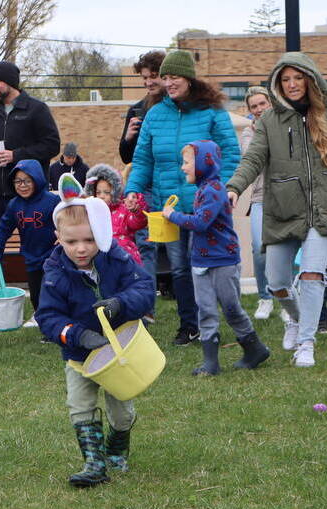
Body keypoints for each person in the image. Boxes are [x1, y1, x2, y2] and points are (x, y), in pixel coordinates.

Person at [226, 52, 327, 367]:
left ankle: (307, 343)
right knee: (277, 283)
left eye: (298, 78)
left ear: (310, 79)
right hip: (282, 208)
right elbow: (253, 159)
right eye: (285, 80)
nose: (292, 84)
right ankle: (295, 319)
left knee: (312, 274)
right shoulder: (269, 121)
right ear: (278, 85)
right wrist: (234, 188)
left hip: (324, 208)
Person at [124, 49, 241, 347]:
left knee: (207, 267)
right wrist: (132, 192)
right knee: (179, 267)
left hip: (206, 207)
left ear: (188, 77)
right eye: (165, 77)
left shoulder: (211, 111)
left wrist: (220, 188)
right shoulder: (154, 115)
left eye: (174, 76)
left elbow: (230, 153)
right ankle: (190, 325)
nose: (169, 82)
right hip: (171, 207)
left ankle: (218, 320)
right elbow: (143, 160)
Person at [36, 197, 155, 486]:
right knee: (79, 405)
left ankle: (116, 447)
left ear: (101, 233)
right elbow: (48, 316)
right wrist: (76, 334)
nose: (81, 248)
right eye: (72, 241)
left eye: (89, 239)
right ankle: (94, 463)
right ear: (58, 238)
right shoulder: (54, 271)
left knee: (122, 411)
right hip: (80, 354)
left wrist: (120, 303)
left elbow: (145, 288)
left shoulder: (115, 257)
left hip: (120, 350)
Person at [165, 140, 269, 375]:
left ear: (203, 163)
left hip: (223, 260)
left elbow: (201, 222)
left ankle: (255, 349)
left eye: (187, 162)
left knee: (231, 307)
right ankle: (210, 363)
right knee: (206, 309)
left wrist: (173, 216)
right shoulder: (202, 189)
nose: (183, 167)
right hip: (201, 261)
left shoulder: (214, 189)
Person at [0, 61, 61, 291]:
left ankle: (45, 300)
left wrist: (16, 155)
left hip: (30, 197)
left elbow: (52, 145)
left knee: (38, 255)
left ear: (10, 82)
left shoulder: (36, 109)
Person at [0, 159, 60, 331]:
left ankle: (52, 325)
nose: (22, 185)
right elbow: (3, 228)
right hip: (31, 257)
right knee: (35, 295)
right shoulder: (14, 205)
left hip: (52, 256)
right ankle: (41, 318)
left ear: (37, 180)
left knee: (50, 293)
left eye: (27, 180)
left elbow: (64, 223)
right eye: (18, 181)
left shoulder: (52, 201)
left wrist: (63, 240)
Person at [119, 50, 166, 288]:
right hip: (144, 186)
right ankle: (146, 304)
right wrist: (128, 137)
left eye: (154, 76)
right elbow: (127, 157)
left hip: (172, 184)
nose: (148, 82)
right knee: (145, 244)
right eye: (145, 78)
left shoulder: (175, 107)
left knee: (179, 249)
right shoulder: (136, 109)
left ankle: (187, 305)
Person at [238, 85, 274, 320]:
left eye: (263, 104)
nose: (259, 109)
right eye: (254, 106)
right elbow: (254, 161)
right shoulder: (249, 134)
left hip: (288, 196)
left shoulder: (285, 125)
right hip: (261, 197)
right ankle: (265, 297)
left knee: (290, 248)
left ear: (270, 103)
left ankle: (288, 295)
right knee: (260, 248)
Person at [84, 163, 146, 265]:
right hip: (100, 260)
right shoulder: (90, 212)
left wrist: (136, 210)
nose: (102, 196)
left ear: (115, 192)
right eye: (98, 192)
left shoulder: (124, 209)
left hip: (125, 258)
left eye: (107, 192)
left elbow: (137, 223)